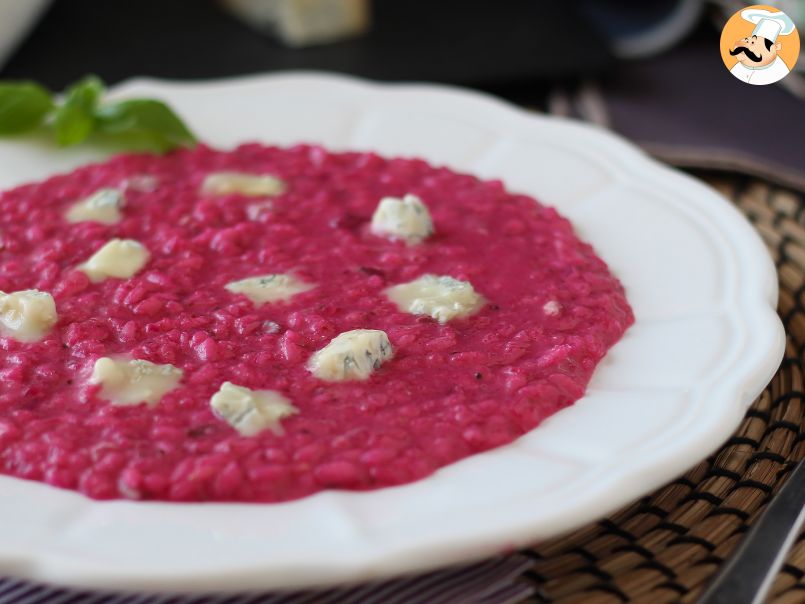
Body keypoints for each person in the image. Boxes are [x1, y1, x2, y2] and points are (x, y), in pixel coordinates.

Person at [729, 8, 796, 86]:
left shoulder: (780, 71)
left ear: (776, 47)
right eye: (747, 40)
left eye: (753, 43)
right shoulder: (737, 66)